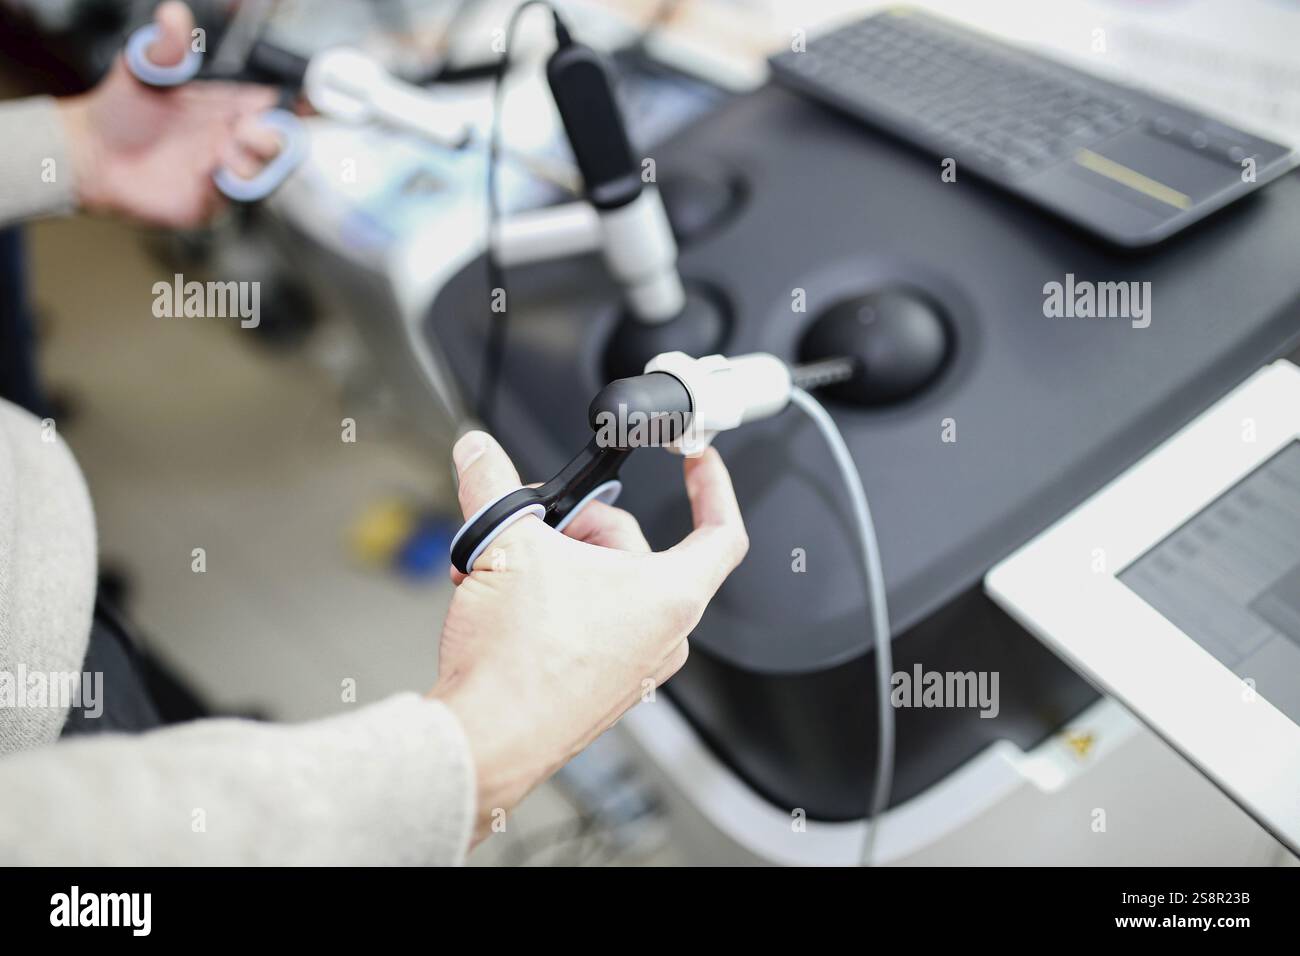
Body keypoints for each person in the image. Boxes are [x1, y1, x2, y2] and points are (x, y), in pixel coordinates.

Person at [0, 2, 748, 863]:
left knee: (148, 710)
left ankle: (208, 741)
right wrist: (483, 753)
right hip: (67, 770)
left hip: (55, 602)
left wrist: (70, 146)